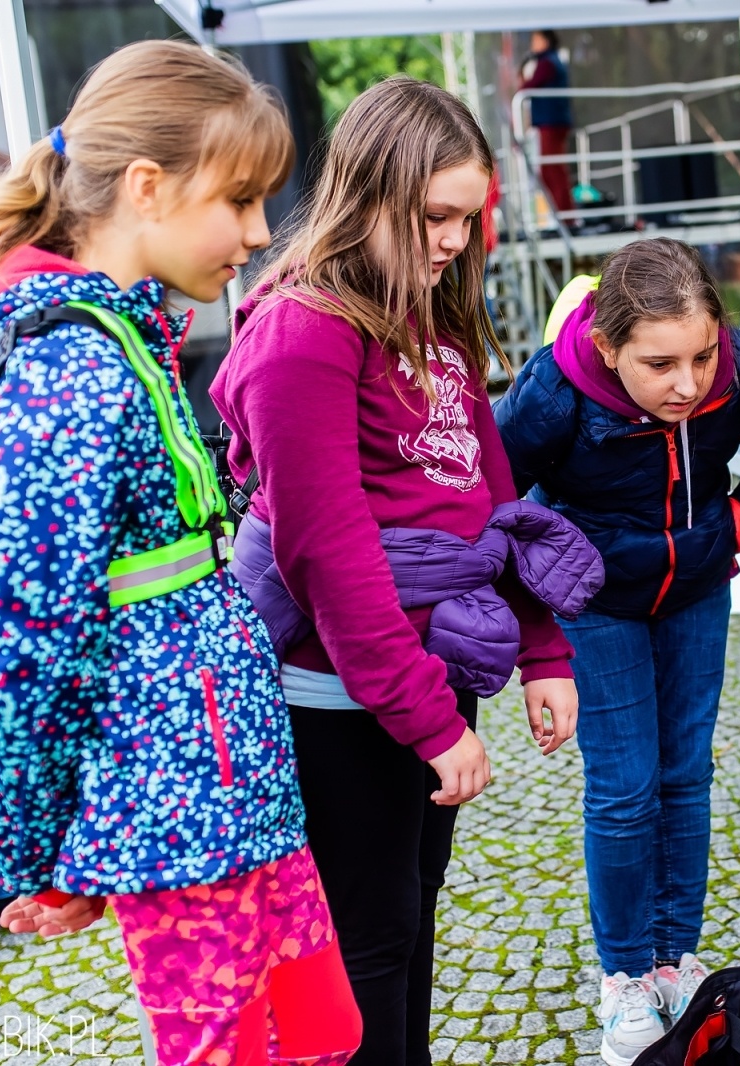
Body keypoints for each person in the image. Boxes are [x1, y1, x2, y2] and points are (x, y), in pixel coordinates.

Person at [0, 41, 361, 1065]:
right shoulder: (66, 365)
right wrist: (39, 847)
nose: (253, 232)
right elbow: (36, 631)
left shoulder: (118, 342)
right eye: (237, 201)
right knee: (244, 1048)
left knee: (322, 1032)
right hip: (179, 804)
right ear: (146, 188)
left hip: (222, 790)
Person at [210, 75, 582, 1066]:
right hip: (337, 697)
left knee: (407, 924)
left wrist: (543, 650)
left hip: (425, 682)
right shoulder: (302, 333)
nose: (454, 239)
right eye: (434, 216)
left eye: (468, 217)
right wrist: (426, 719)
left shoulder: (428, 318)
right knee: (365, 947)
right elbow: (326, 553)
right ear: (368, 192)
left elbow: (498, 510)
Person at [497, 238, 740, 1065]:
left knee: (687, 775)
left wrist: (738, 528)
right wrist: (542, 616)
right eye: (660, 364)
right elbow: (492, 496)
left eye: (701, 355)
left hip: (696, 591)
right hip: (595, 604)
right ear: (608, 348)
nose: (687, 383)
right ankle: (627, 976)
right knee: (625, 788)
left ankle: (677, 959)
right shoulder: (554, 390)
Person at [519, 29, 575, 223]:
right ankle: (564, 216)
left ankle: (567, 218)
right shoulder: (551, 61)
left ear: (545, 41)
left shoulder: (547, 63)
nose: (532, 44)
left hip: (552, 122)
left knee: (553, 170)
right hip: (551, 121)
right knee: (550, 169)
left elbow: (528, 86)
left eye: (535, 40)